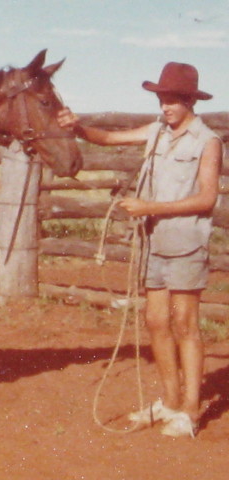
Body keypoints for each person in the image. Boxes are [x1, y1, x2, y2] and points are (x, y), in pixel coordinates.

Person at [58, 62, 224, 437]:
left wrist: (150, 208)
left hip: (185, 246)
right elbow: (108, 139)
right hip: (153, 245)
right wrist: (78, 127)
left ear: (188, 101)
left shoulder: (207, 142)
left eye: (171, 100)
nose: (164, 106)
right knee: (155, 322)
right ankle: (169, 402)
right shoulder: (156, 132)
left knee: (185, 325)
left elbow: (207, 198)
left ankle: (191, 410)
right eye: (161, 99)